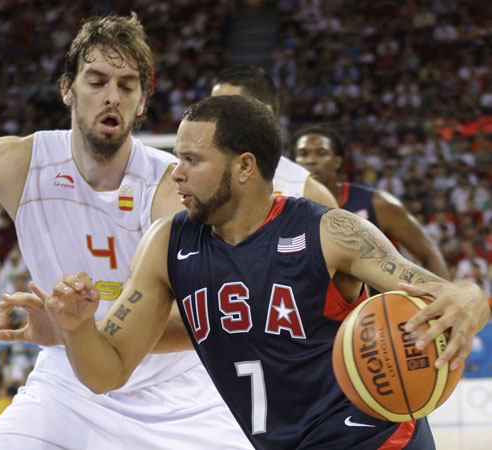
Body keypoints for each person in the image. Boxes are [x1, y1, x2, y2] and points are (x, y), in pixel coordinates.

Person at [42, 96, 489, 450]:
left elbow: (443, 294)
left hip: (375, 440)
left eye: (193, 160)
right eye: (177, 158)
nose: (176, 174)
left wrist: (470, 295)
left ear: (244, 166)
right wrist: (77, 328)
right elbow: (108, 372)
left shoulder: (329, 231)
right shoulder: (166, 244)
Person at [0, 14, 251, 449]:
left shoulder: (173, 189)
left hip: (179, 400)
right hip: (67, 388)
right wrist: (73, 338)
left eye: (127, 86)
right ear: (67, 89)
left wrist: (77, 332)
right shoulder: (17, 164)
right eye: (96, 82)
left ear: (143, 101)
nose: (112, 96)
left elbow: (210, 317)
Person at [292, 124, 450, 282]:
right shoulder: (287, 208)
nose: (311, 161)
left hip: (379, 297)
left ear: (338, 161)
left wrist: (444, 295)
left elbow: (429, 254)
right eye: (303, 154)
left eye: (321, 153)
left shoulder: (377, 203)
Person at [210, 64, 338, 207]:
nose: (216, 119)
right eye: (213, 109)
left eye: (227, 109)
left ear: (262, 113)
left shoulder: (307, 193)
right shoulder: (198, 179)